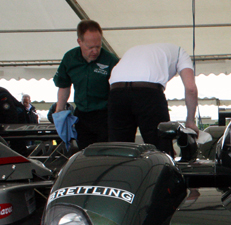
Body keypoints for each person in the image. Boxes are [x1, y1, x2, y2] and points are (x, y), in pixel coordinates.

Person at [107, 43, 199, 154]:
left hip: (116, 91)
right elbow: (191, 88)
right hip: (148, 92)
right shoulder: (181, 52)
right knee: (160, 151)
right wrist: (190, 121)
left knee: (119, 151)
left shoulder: (134, 49)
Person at [53, 20, 118, 150]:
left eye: (98, 46)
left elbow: (118, 92)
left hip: (105, 115)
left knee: (105, 153)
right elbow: (64, 85)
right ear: (80, 42)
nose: (95, 51)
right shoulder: (70, 58)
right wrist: (59, 111)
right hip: (82, 115)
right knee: (85, 153)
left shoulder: (111, 60)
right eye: (90, 47)